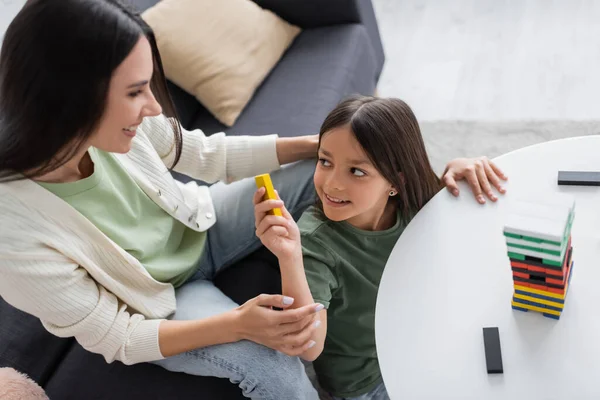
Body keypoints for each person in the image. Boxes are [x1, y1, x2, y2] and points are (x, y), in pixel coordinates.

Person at [0, 1, 502, 399]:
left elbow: (201, 153)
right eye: (136, 92)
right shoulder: (13, 229)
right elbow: (118, 336)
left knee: (321, 170)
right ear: (70, 98)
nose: (153, 105)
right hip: (158, 303)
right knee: (277, 368)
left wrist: (323, 149)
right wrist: (240, 323)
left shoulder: (118, 122)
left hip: (202, 223)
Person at [253, 95, 507, 400]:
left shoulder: (413, 204)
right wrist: (289, 256)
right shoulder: (314, 242)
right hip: (367, 381)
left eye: (356, 171)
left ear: (395, 182)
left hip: (423, 340)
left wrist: (459, 165)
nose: (332, 184)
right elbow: (308, 347)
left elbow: (461, 225)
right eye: (325, 161)